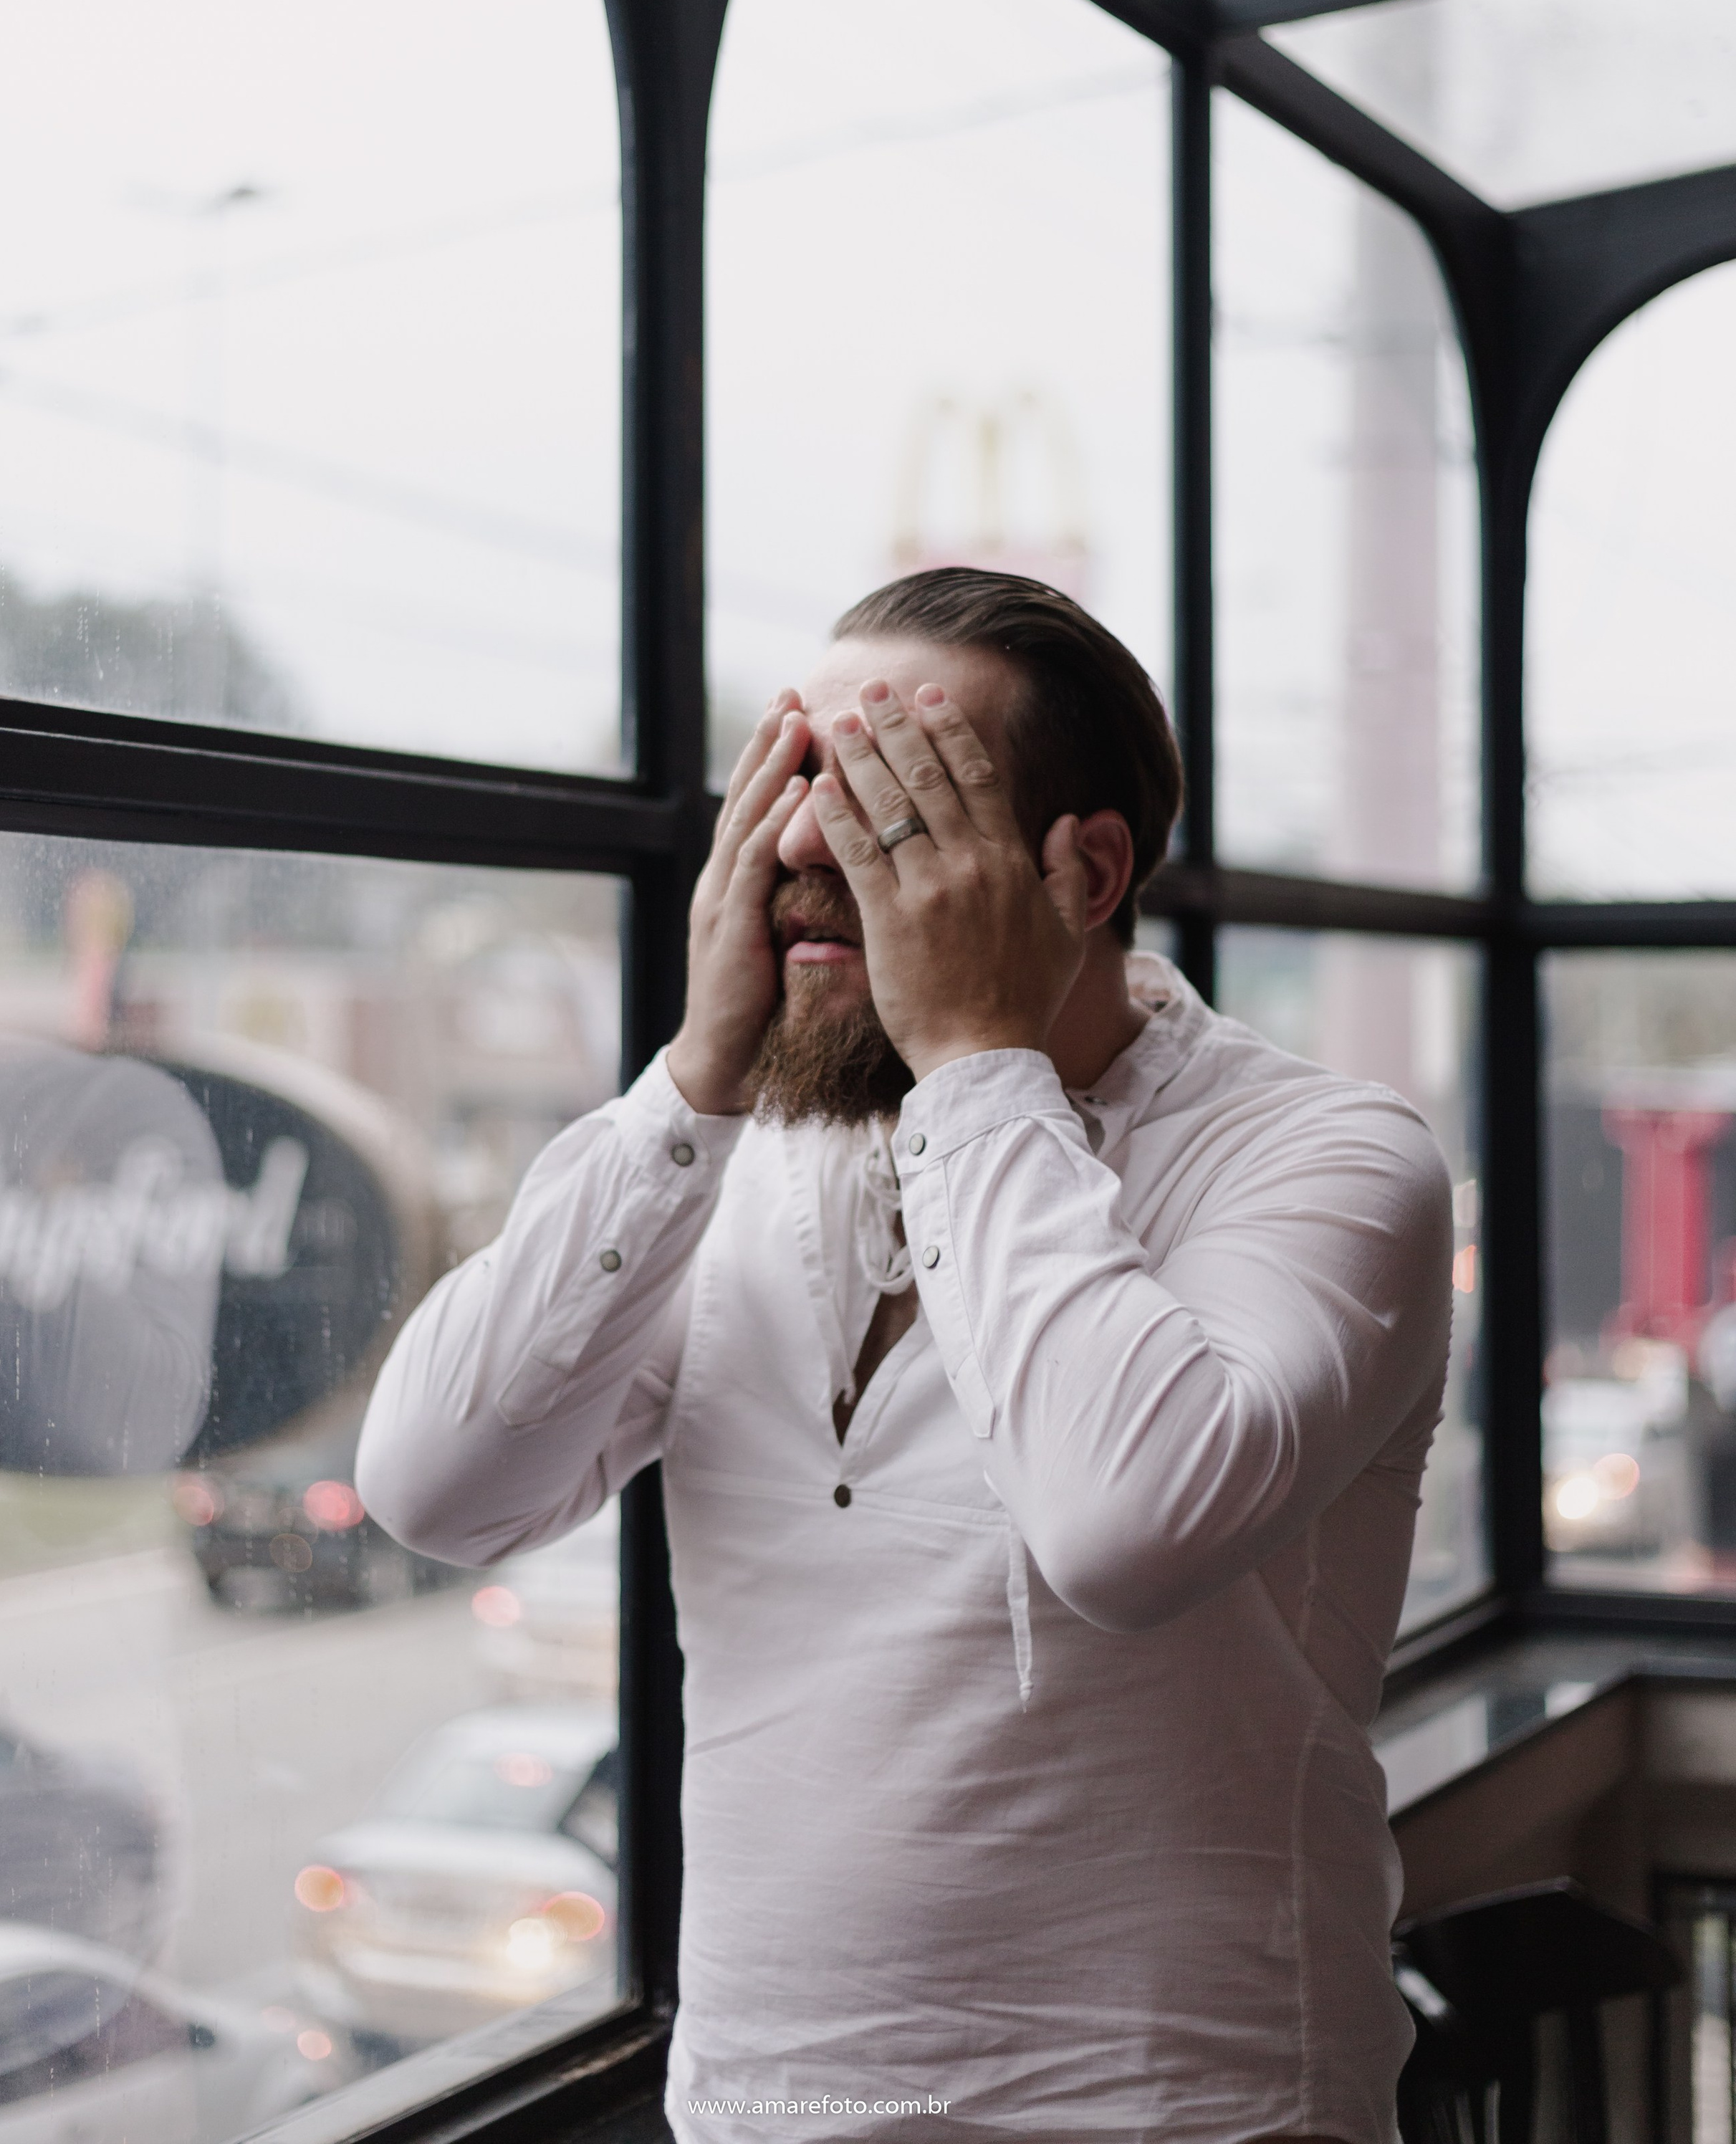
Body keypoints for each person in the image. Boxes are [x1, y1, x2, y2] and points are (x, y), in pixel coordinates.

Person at [358, 568, 1452, 2144]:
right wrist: (691, 1082)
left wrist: (976, 1065)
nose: (800, 843)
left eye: (887, 804)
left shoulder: (1328, 1159)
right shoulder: (732, 1151)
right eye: (793, 778)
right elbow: (433, 1486)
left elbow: (1121, 1527)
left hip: (1187, 2111)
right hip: (757, 2108)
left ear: (1081, 870)